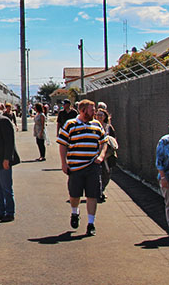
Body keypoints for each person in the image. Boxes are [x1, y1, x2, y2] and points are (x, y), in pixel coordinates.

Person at [57, 99, 107, 236]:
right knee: (74, 195)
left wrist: (101, 156)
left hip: (92, 166)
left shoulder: (97, 125)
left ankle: (91, 223)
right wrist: (64, 163)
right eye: (92, 109)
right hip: (75, 167)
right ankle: (75, 212)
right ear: (83, 110)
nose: (95, 112)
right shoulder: (70, 125)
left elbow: (104, 142)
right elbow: (62, 145)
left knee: (93, 195)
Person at [95, 108, 118, 203]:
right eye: (98, 115)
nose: (100, 117)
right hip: (96, 155)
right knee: (97, 175)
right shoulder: (93, 126)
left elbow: (114, 140)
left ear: (105, 117)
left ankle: (102, 190)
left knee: (107, 175)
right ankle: (98, 194)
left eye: (101, 115)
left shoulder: (109, 127)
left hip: (107, 156)